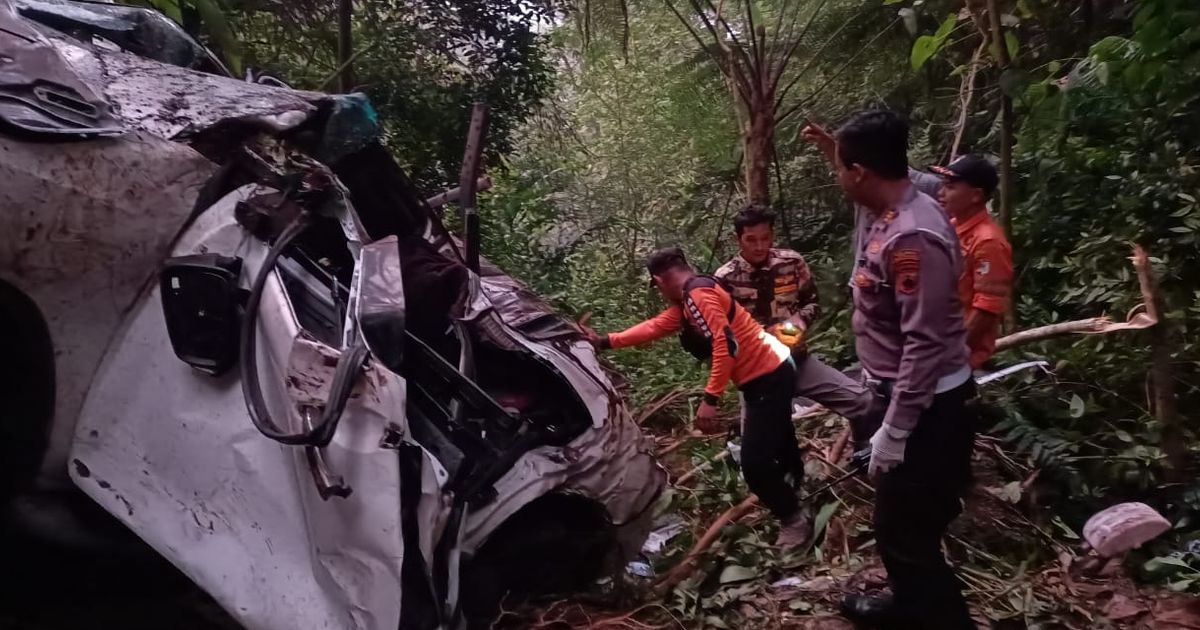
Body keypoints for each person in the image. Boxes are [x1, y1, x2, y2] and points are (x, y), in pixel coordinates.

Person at [826, 110, 978, 629]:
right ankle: (909, 607)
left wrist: (897, 428)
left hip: (927, 406)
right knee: (902, 524)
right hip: (902, 396)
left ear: (861, 172)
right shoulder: (895, 199)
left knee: (905, 534)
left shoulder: (913, 239)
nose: (837, 176)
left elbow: (925, 343)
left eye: (841, 167)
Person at [582, 247, 811, 548]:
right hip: (771, 370)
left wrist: (710, 399)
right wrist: (606, 341)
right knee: (780, 440)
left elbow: (724, 344)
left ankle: (793, 520)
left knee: (755, 464)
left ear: (659, 281)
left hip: (767, 376)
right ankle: (800, 491)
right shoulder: (692, 296)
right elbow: (657, 326)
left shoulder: (699, 295)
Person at [714, 206, 879, 451]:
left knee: (863, 402)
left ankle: (862, 449)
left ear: (772, 235)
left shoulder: (791, 262)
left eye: (765, 238)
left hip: (798, 360)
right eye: (751, 240)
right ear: (737, 239)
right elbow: (723, 331)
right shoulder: (724, 278)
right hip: (758, 374)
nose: (759, 246)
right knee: (758, 444)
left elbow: (812, 302)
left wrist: (800, 321)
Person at [932, 155, 1013, 369]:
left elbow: (987, 308)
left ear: (976, 195)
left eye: (950, 187)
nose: (941, 193)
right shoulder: (950, 226)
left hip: (955, 358)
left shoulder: (988, 242)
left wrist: (951, 351)